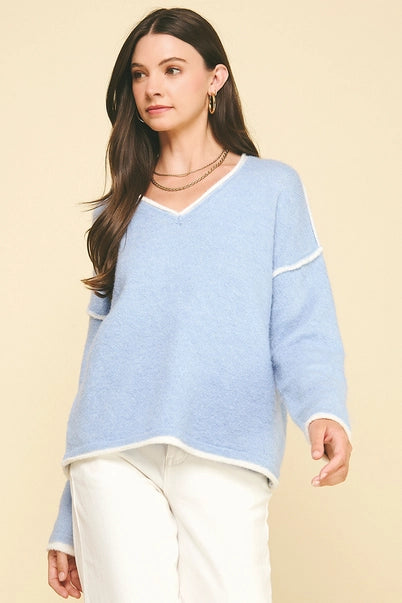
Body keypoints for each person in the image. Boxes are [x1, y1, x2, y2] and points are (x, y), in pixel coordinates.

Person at [47, 7, 352, 602]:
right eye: (139, 74)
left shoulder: (271, 189)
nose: (152, 88)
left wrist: (323, 410)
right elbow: (98, 363)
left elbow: (303, 324)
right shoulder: (117, 209)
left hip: (226, 444)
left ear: (215, 78)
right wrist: (68, 519)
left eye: (172, 69)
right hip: (111, 454)